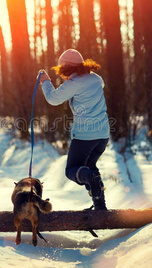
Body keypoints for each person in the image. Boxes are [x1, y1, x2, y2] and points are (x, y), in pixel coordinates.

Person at [38, 49, 110, 210]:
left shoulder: (74, 83)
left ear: (65, 68)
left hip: (85, 137)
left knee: (72, 170)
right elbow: (99, 85)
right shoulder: (97, 79)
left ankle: (91, 179)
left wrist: (46, 82)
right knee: (90, 166)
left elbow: (53, 98)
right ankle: (100, 206)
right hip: (103, 135)